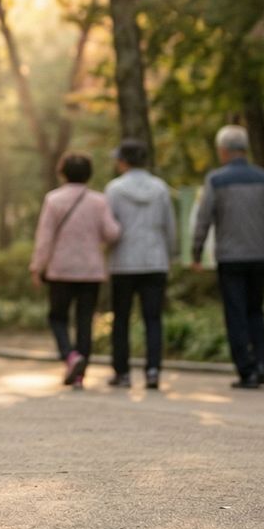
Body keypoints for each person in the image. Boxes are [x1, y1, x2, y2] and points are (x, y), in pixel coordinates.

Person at [191, 125, 264, 389]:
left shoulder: (216, 180)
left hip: (230, 257)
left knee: (235, 313)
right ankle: (261, 364)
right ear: (244, 149)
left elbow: (204, 219)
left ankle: (246, 371)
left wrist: (196, 252)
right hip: (259, 254)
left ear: (223, 151)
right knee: (256, 310)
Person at [29, 153, 121, 389]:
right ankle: (80, 375)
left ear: (63, 173)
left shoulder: (53, 200)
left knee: (57, 317)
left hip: (61, 270)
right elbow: (112, 233)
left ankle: (71, 357)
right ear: (89, 174)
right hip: (91, 271)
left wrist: (37, 267)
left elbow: (44, 238)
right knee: (84, 321)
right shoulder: (99, 201)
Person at [105, 139, 177, 390]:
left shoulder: (114, 189)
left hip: (123, 262)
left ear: (124, 161)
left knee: (121, 319)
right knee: (153, 319)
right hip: (155, 261)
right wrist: (171, 254)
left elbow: (108, 227)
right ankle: (153, 371)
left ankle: (122, 373)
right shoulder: (160, 188)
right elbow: (170, 226)